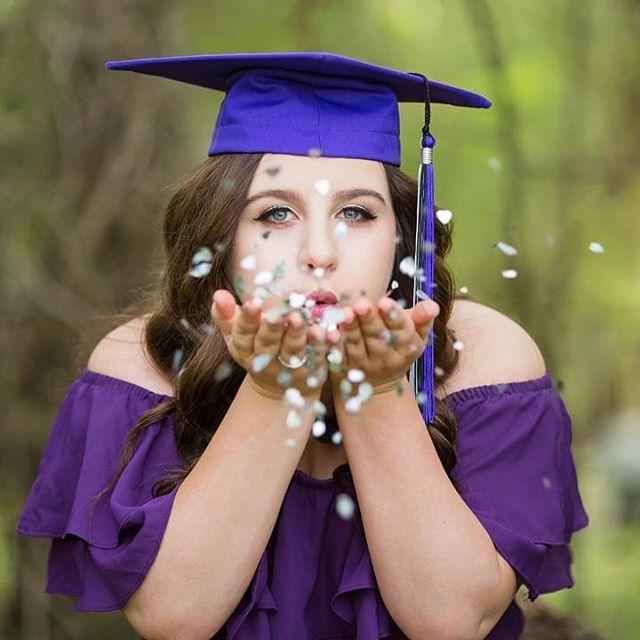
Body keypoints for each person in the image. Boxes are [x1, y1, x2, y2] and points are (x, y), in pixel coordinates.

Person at [15, 52, 589, 640]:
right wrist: (276, 386)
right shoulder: (142, 363)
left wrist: (373, 388)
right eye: (278, 212)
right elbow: (174, 616)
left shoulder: (483, 363)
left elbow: (450, 621)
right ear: (222, 232)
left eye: (357, 213)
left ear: (400, 237)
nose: (320, 252)